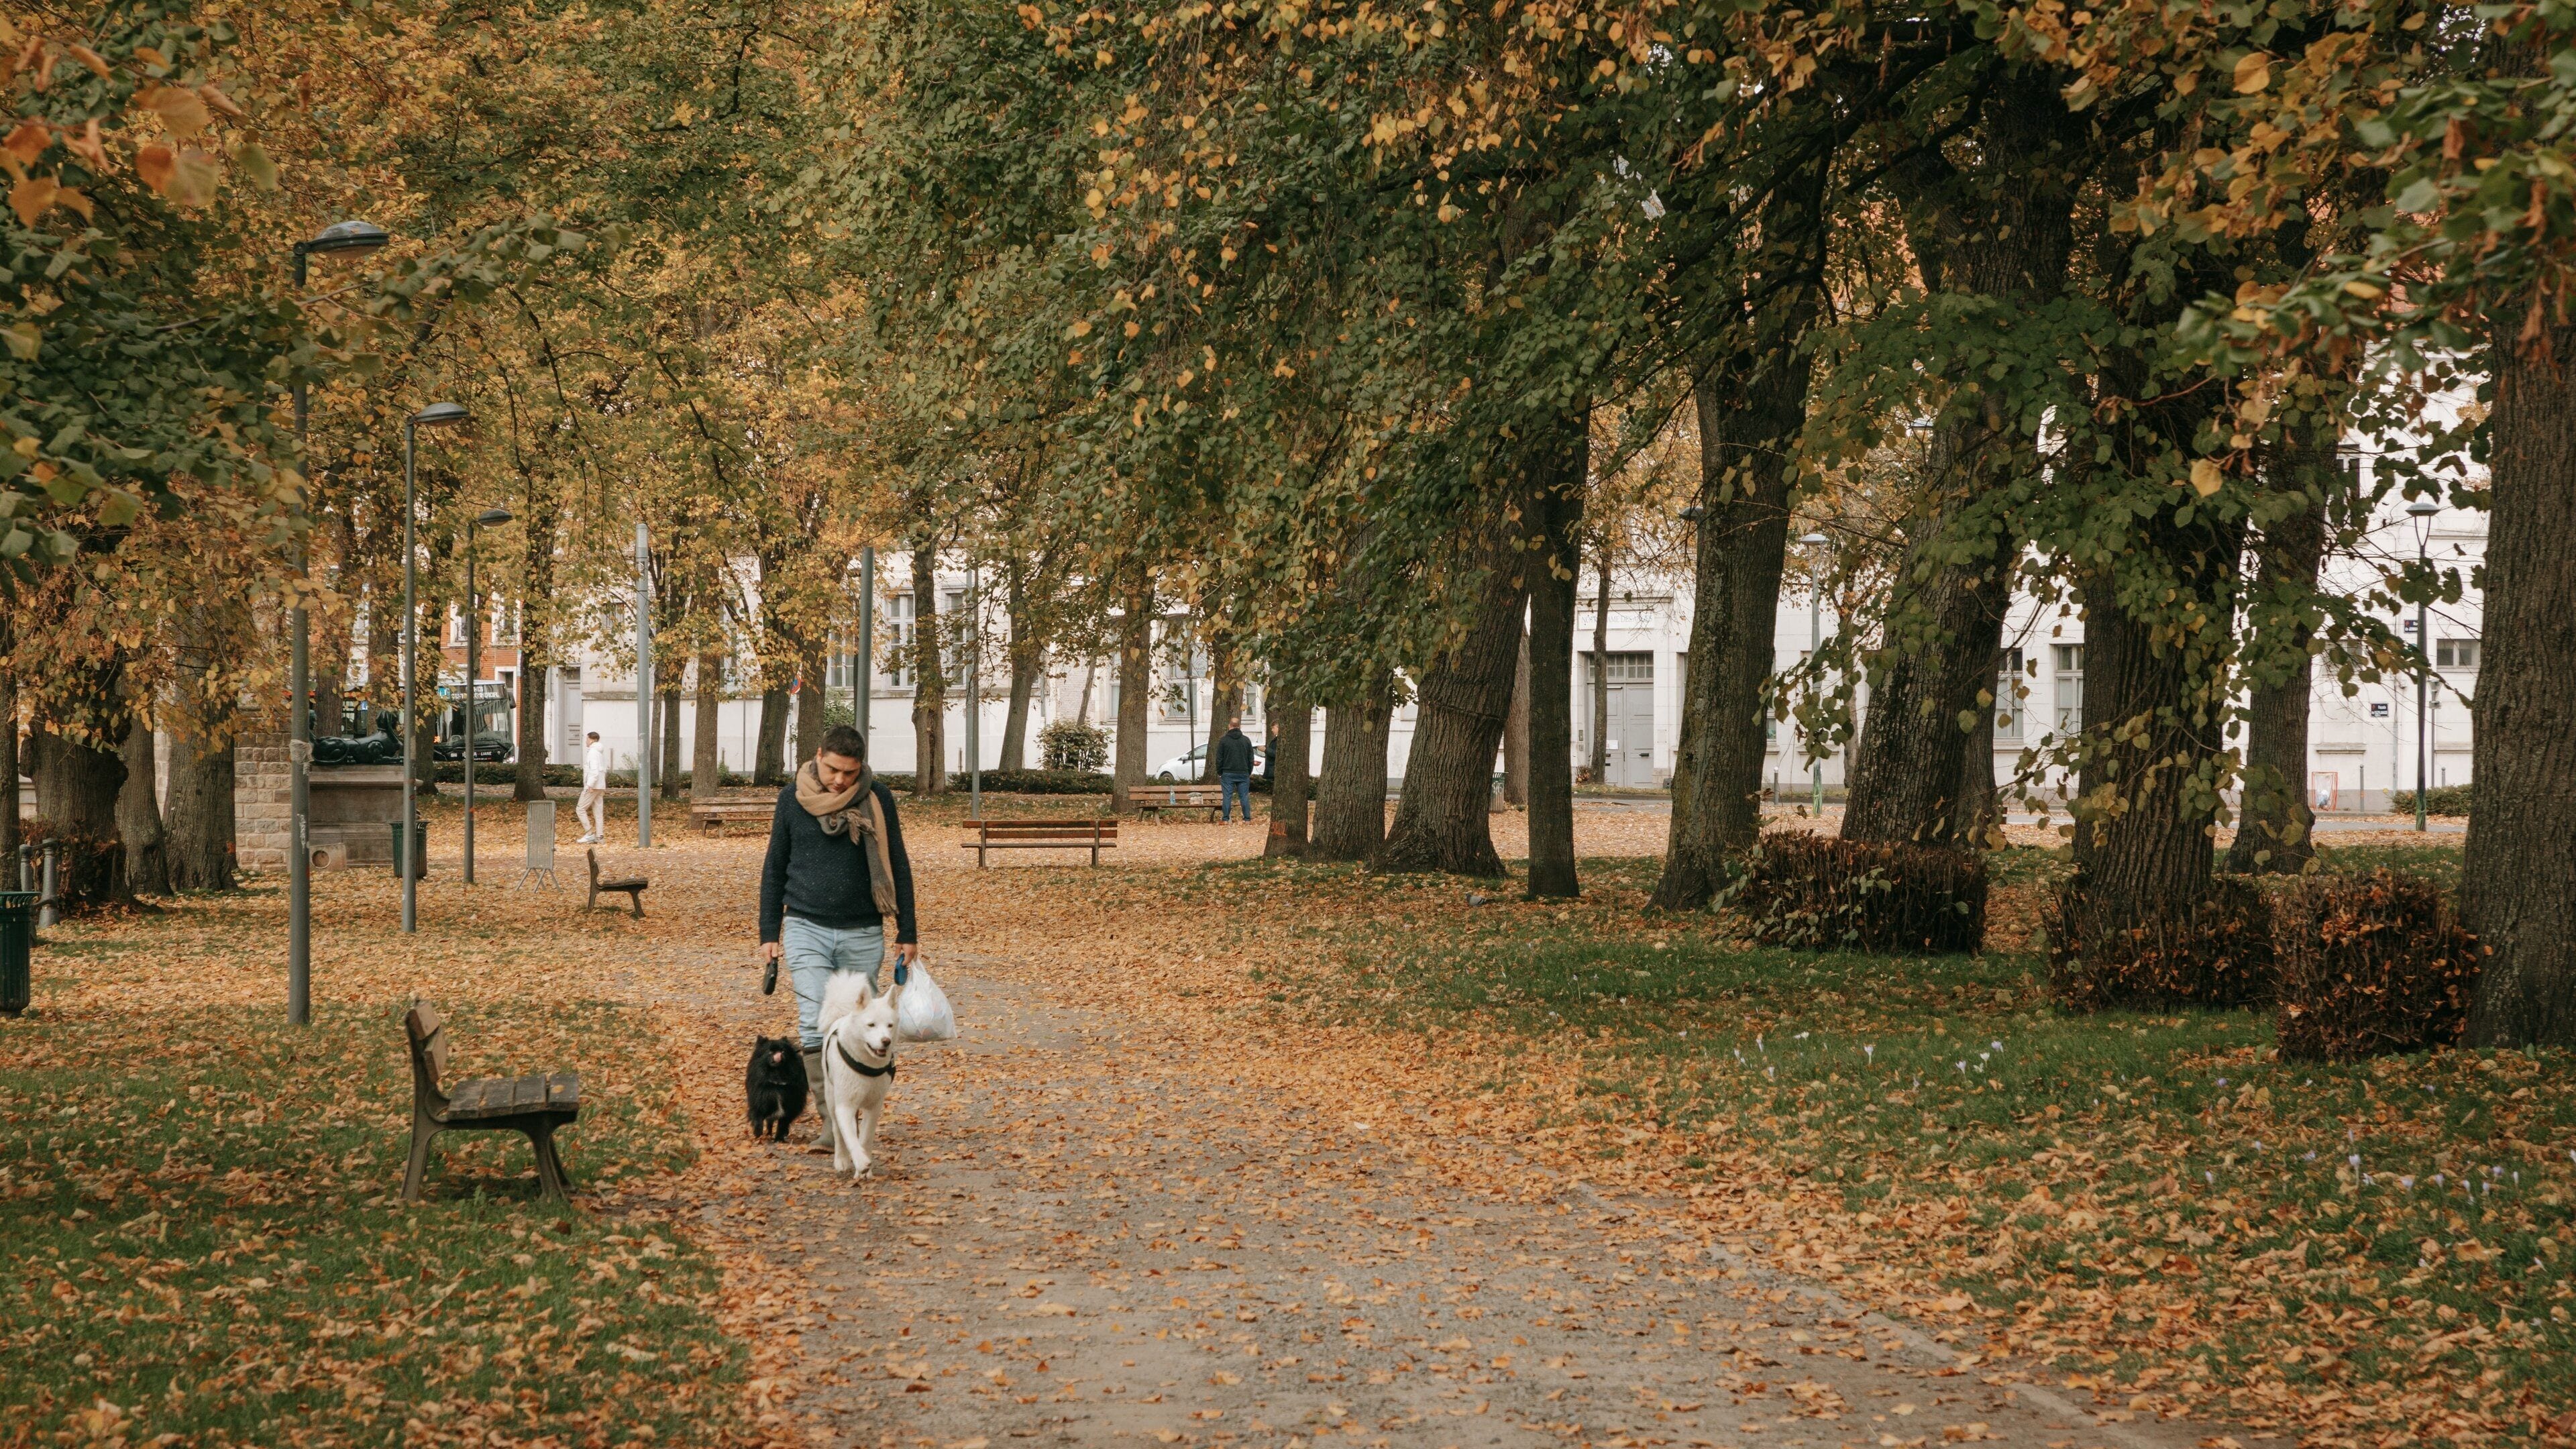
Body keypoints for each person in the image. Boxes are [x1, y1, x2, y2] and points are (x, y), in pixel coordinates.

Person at [757, 723, 919, 1128]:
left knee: (857, 1025)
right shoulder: (792, 800)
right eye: (832, 770)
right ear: (818, 756)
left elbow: (897, 863)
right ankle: (834, 1123)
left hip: (863, 931)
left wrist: (908, 931)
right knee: (815, 1020)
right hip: (805, 926)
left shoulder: (877, 799)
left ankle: (856, 1106)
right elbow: (775, 866)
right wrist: (768, 933)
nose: (840, 780)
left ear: (861, 766)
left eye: (849, 772)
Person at [1214, 715, 1256, 822]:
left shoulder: (1224, 741)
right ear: (1239, 726)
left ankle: (1226, 819)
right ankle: (1247, 819)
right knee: (1244, 797)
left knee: (1227, 796)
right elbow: (1251, 758)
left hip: (1227, 773)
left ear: (1230, 726)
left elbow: (1219, 758)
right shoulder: (1246, 741)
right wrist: (1249, 771)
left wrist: (1220, 772)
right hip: (1243, 773)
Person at [576, 731, 610, 843]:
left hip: (593, 786)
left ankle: (589, 833)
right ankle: (600, 837)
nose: (586, 741)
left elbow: (593, 771)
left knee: (580, 809)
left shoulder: (592, 753)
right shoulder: (600, 753)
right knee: (598, 812)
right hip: (600, 786)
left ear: (591, 739)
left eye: (586, 739)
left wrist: (589, 784)